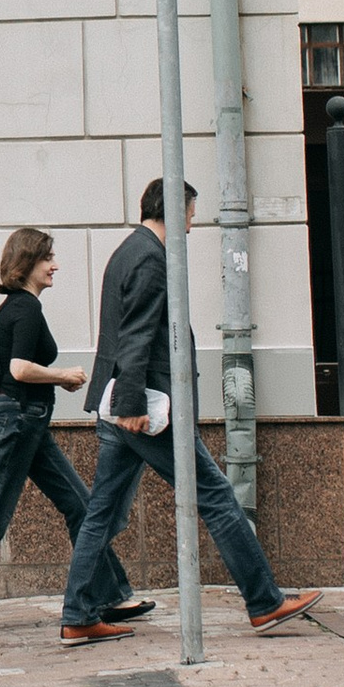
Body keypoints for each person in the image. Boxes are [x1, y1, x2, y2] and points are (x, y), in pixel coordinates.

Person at [60, 180, 321, 647]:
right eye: (192, 214)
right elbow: (138, 335)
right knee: (218, 498)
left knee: (101, 513)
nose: (193, 224)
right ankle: (264, 602)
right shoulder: (150, 258)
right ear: (176, 211)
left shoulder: (126, 251)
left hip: (121, 403)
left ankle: (79, 614)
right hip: (144, 408)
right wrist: (133, 405)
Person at [0, 225, 148, 635]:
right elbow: (18, 369)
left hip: (27, 422)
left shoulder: (16, 308)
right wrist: (62, 375)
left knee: (81, 506)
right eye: (48, 258)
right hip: (19, 420)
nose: (55, 266)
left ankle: (112, 595)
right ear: (27, 263)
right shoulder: (25, 308)